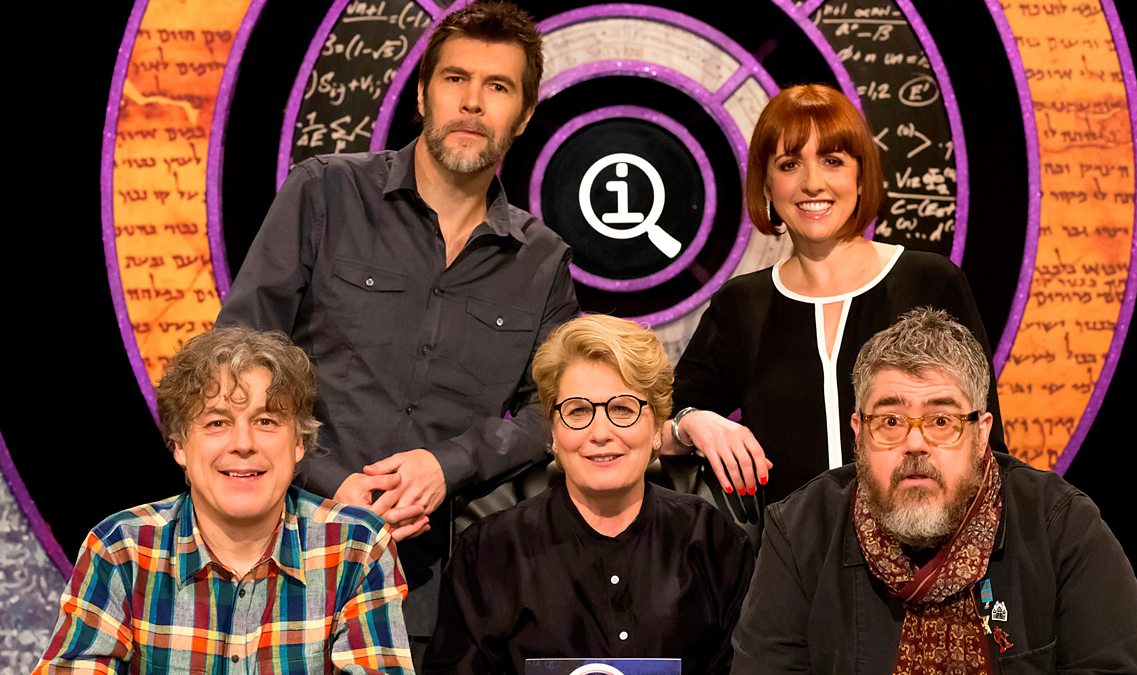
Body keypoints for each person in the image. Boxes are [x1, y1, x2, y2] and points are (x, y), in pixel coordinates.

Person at [214, 1, 579, 653]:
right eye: (455, 79)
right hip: (276, 566)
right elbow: (237, 362)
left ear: (524, 116)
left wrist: (448, 465)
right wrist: (331, 480)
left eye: (498, 87)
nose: (472, 102)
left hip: (428, 596)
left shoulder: (542, 259)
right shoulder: (325, 192)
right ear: (422, 94)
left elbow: (554, 408)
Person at [731, 308, 1137, 673]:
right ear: (858, 433)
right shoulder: (799, 533)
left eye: (941, 421)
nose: (915, 443)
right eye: (890, 422)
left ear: (981, 434)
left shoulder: (1060, 524)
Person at [666, 84, 1005, 503]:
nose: (812, 183)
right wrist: (691, 422)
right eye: (789, 164)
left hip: (925, 541)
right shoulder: (742, 304)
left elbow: (988, 447)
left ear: (861, 177)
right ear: (766, 185)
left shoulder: (930, 281)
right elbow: (653, 427)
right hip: (784, 545)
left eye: (832, 161)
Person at [36, 327, 413, 672]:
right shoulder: (120, 549)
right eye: (217, 422)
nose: (243, 444)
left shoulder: (357, 548)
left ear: (299, 443)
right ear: (179, 445)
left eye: (266, 421)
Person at [424, 315, 755, 675]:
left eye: (623, 409)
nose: (600, 433)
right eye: (579, 411)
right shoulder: (489, 552)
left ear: (657, 429)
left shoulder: (713, 541)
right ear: (553, 432)